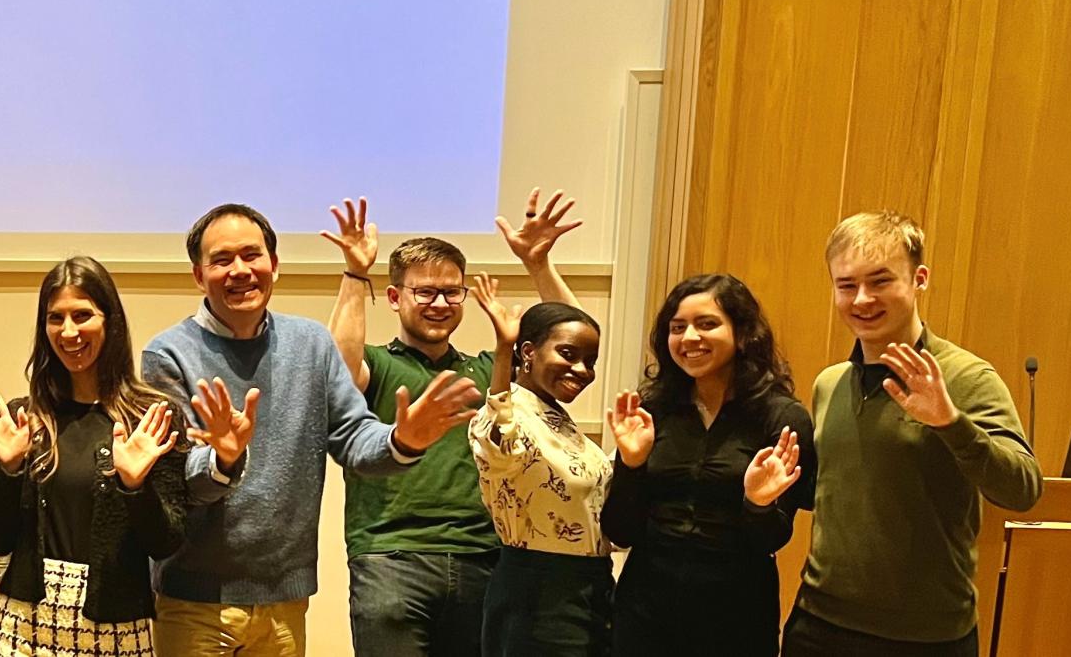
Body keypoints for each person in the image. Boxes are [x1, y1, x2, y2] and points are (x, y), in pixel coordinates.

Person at [141, 204, 483, 655]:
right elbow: (174, 482)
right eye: (222, 260)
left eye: (252, 255)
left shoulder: (310, 343)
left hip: (286, 596)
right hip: (195, 598)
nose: (240, 270)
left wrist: (402, 440)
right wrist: (224, 458)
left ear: (274, 266)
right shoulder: (168, 354)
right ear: (198, 275)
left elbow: (354, 436)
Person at [321, 191, 580, 656]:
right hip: (390, 558)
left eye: (451, 291)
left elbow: (572, 343)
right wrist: (356, 273)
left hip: (485, 558)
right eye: (425, 292)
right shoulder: (377, 365)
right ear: (396, 297)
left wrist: (539, 265)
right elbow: (336, 369)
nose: (440, 303)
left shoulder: (488, 371)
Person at [782, 211, 1042, 656]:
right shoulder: (830, 383)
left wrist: (950, 423)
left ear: (919, 279)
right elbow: (845, 495)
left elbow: (1023, 489)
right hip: (819, 624)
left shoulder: (966, 377)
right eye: (846, 285)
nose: (862, 299)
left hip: (926, 638)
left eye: (880, 281)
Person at [0, 256, 190, 657]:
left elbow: (166, 542)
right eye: (56, 318)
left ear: (110, 322)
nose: (68, 331)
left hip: (115, 624)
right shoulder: (27, 418)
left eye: (82, 315)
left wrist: (134, 487)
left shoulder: (151, 418)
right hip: (23, 623)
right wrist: (9, 468)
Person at [599, 274, 812, 656]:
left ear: (743, 334)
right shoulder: (654, 410)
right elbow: (620, 531)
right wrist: (631, 464)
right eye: (677, 328)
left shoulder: (781, 416)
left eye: (707, 324)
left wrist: (757, 504)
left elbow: (771, 540)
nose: (689, 338)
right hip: (646, 612)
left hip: (735, 617)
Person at [465, 276, 609, 657]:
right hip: (537, 592)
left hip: (590, 587)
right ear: (527, 352)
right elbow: (501, 449)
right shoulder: (504, 411)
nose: (582, 370)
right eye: (568, 354)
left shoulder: (557, 419)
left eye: (590, 361)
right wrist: (501, 352)